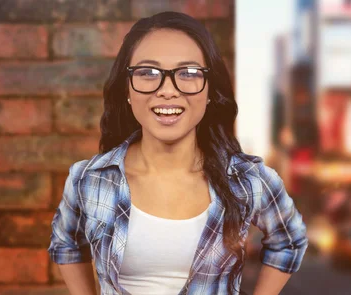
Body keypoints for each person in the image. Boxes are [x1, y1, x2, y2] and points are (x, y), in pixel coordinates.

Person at [48, 12, 308, 295]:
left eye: (189, 73)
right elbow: (66, 243)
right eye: (148, 73)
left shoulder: (248, 180)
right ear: (127, 88)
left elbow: (290, 239)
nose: (168, 91)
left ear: (209, 90)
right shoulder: (88, 178)